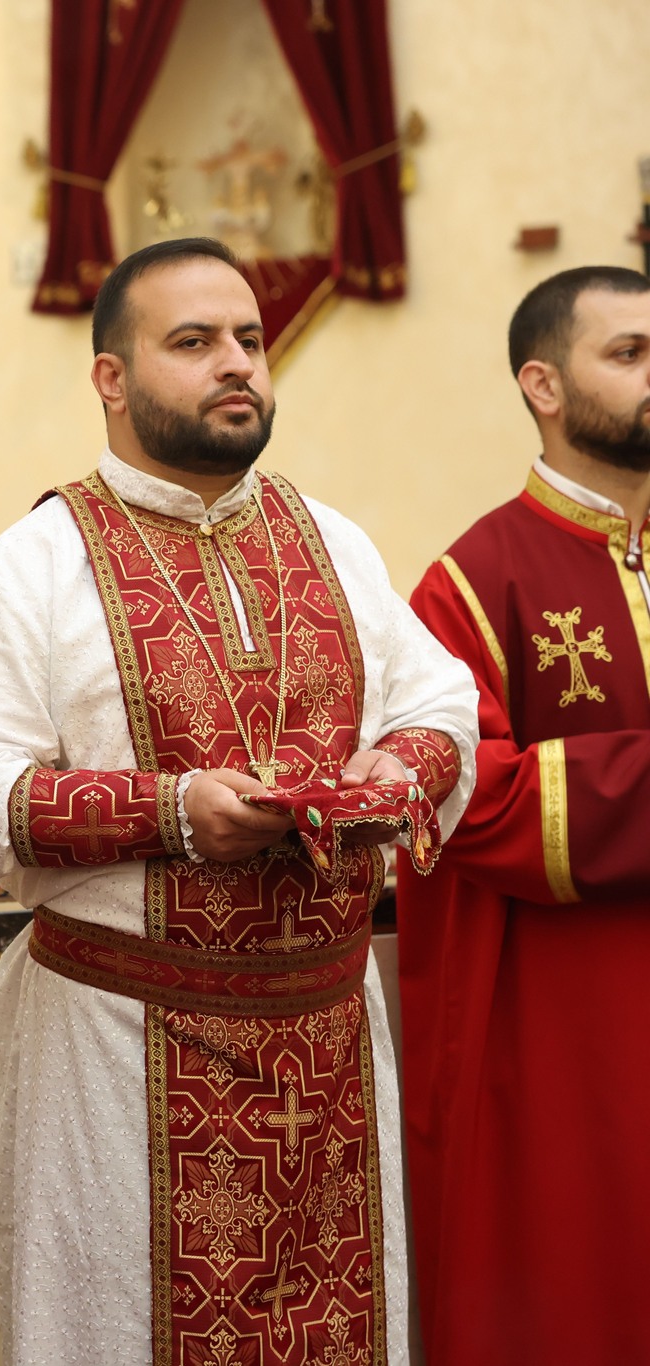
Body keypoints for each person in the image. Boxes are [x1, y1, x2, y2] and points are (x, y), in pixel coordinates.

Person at [0, 237, 477, 1365]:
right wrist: (171, 811)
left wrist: (399, 771)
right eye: (191, 342)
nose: (234, 364)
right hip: (119, 1055)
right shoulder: (29, 567)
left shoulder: (333, 541)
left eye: (247, 341)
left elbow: (442, 701)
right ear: (110, 380)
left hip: (324, 1053)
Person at [400, 265, 650, 1364]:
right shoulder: (470, 582)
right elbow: (460, 800)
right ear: (540, 384)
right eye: (629, 354)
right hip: (576, 1019)